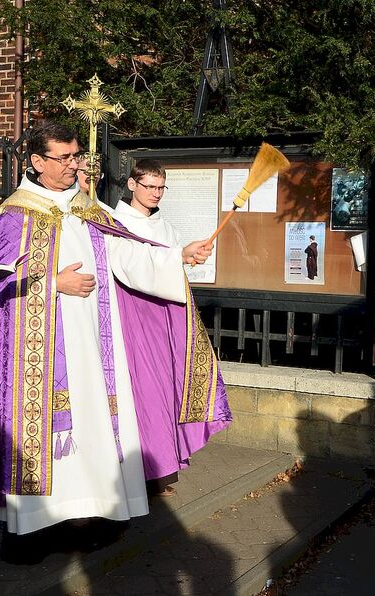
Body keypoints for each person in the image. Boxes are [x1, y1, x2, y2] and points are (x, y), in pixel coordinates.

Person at [0, 122, 225, 560]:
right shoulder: (15, 216)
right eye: (64, 158)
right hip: (40, 357)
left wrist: (177, 256)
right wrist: (53, 283)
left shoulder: (90, 210)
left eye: (76, 157)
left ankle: (89, 519)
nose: (74, 166)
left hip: (96, 346)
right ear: (36, 162)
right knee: (46, 440)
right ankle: (30, 531)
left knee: (95, 432)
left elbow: (127, 255)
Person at [110, 158, 231, 497]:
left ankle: (166, 464)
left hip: (168, 317)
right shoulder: (116, 222)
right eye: (149, 186)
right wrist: (178, 255)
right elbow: (130, 264)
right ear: (132, 184)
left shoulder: (165, 225)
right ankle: (146, 471)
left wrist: (189, 257)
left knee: (169, 388)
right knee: (144, 391)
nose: (156, 193)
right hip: (137, 317)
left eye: (161, 187)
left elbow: (173, 264)